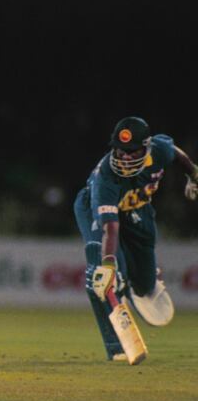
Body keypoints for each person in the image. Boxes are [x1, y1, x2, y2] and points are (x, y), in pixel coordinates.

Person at [73, 116, 198, 361]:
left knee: (145, 286)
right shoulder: (105, 177)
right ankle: (117, 346)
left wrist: (193, 174)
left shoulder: (159, 150)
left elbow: (176, 153)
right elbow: (110, 227)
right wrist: (108, 265)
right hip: (96, 214)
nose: (126, 158)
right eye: (122, 152)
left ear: (147, 147)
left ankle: (137, 281)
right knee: (103, 276)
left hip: (137, 210)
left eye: (133, 152)